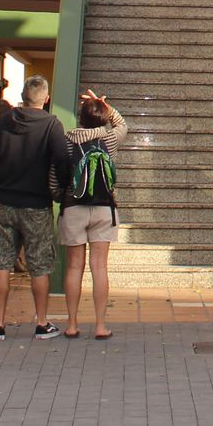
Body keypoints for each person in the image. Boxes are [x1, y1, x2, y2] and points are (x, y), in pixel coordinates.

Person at [0, 74, 69, 340]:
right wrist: (58, 191)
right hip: (37, 204)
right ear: (47, 98)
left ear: (22, 96)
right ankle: (41, 323)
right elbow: (63, 161)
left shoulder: (2, 123)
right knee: (39, 265)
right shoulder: (52, 125)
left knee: (1, 264)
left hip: (5, 203)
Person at [58, 88, 127, 339]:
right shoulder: (109, 139)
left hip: (73, 208)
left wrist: (60, 196)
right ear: (101, 118)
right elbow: (122, 123)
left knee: (74, 267)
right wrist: (105, 107)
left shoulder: (66, 141)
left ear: (80, 118)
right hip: (103, 208)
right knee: (99, 267)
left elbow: (56, 177)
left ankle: (72, 324)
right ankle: (100, 325)